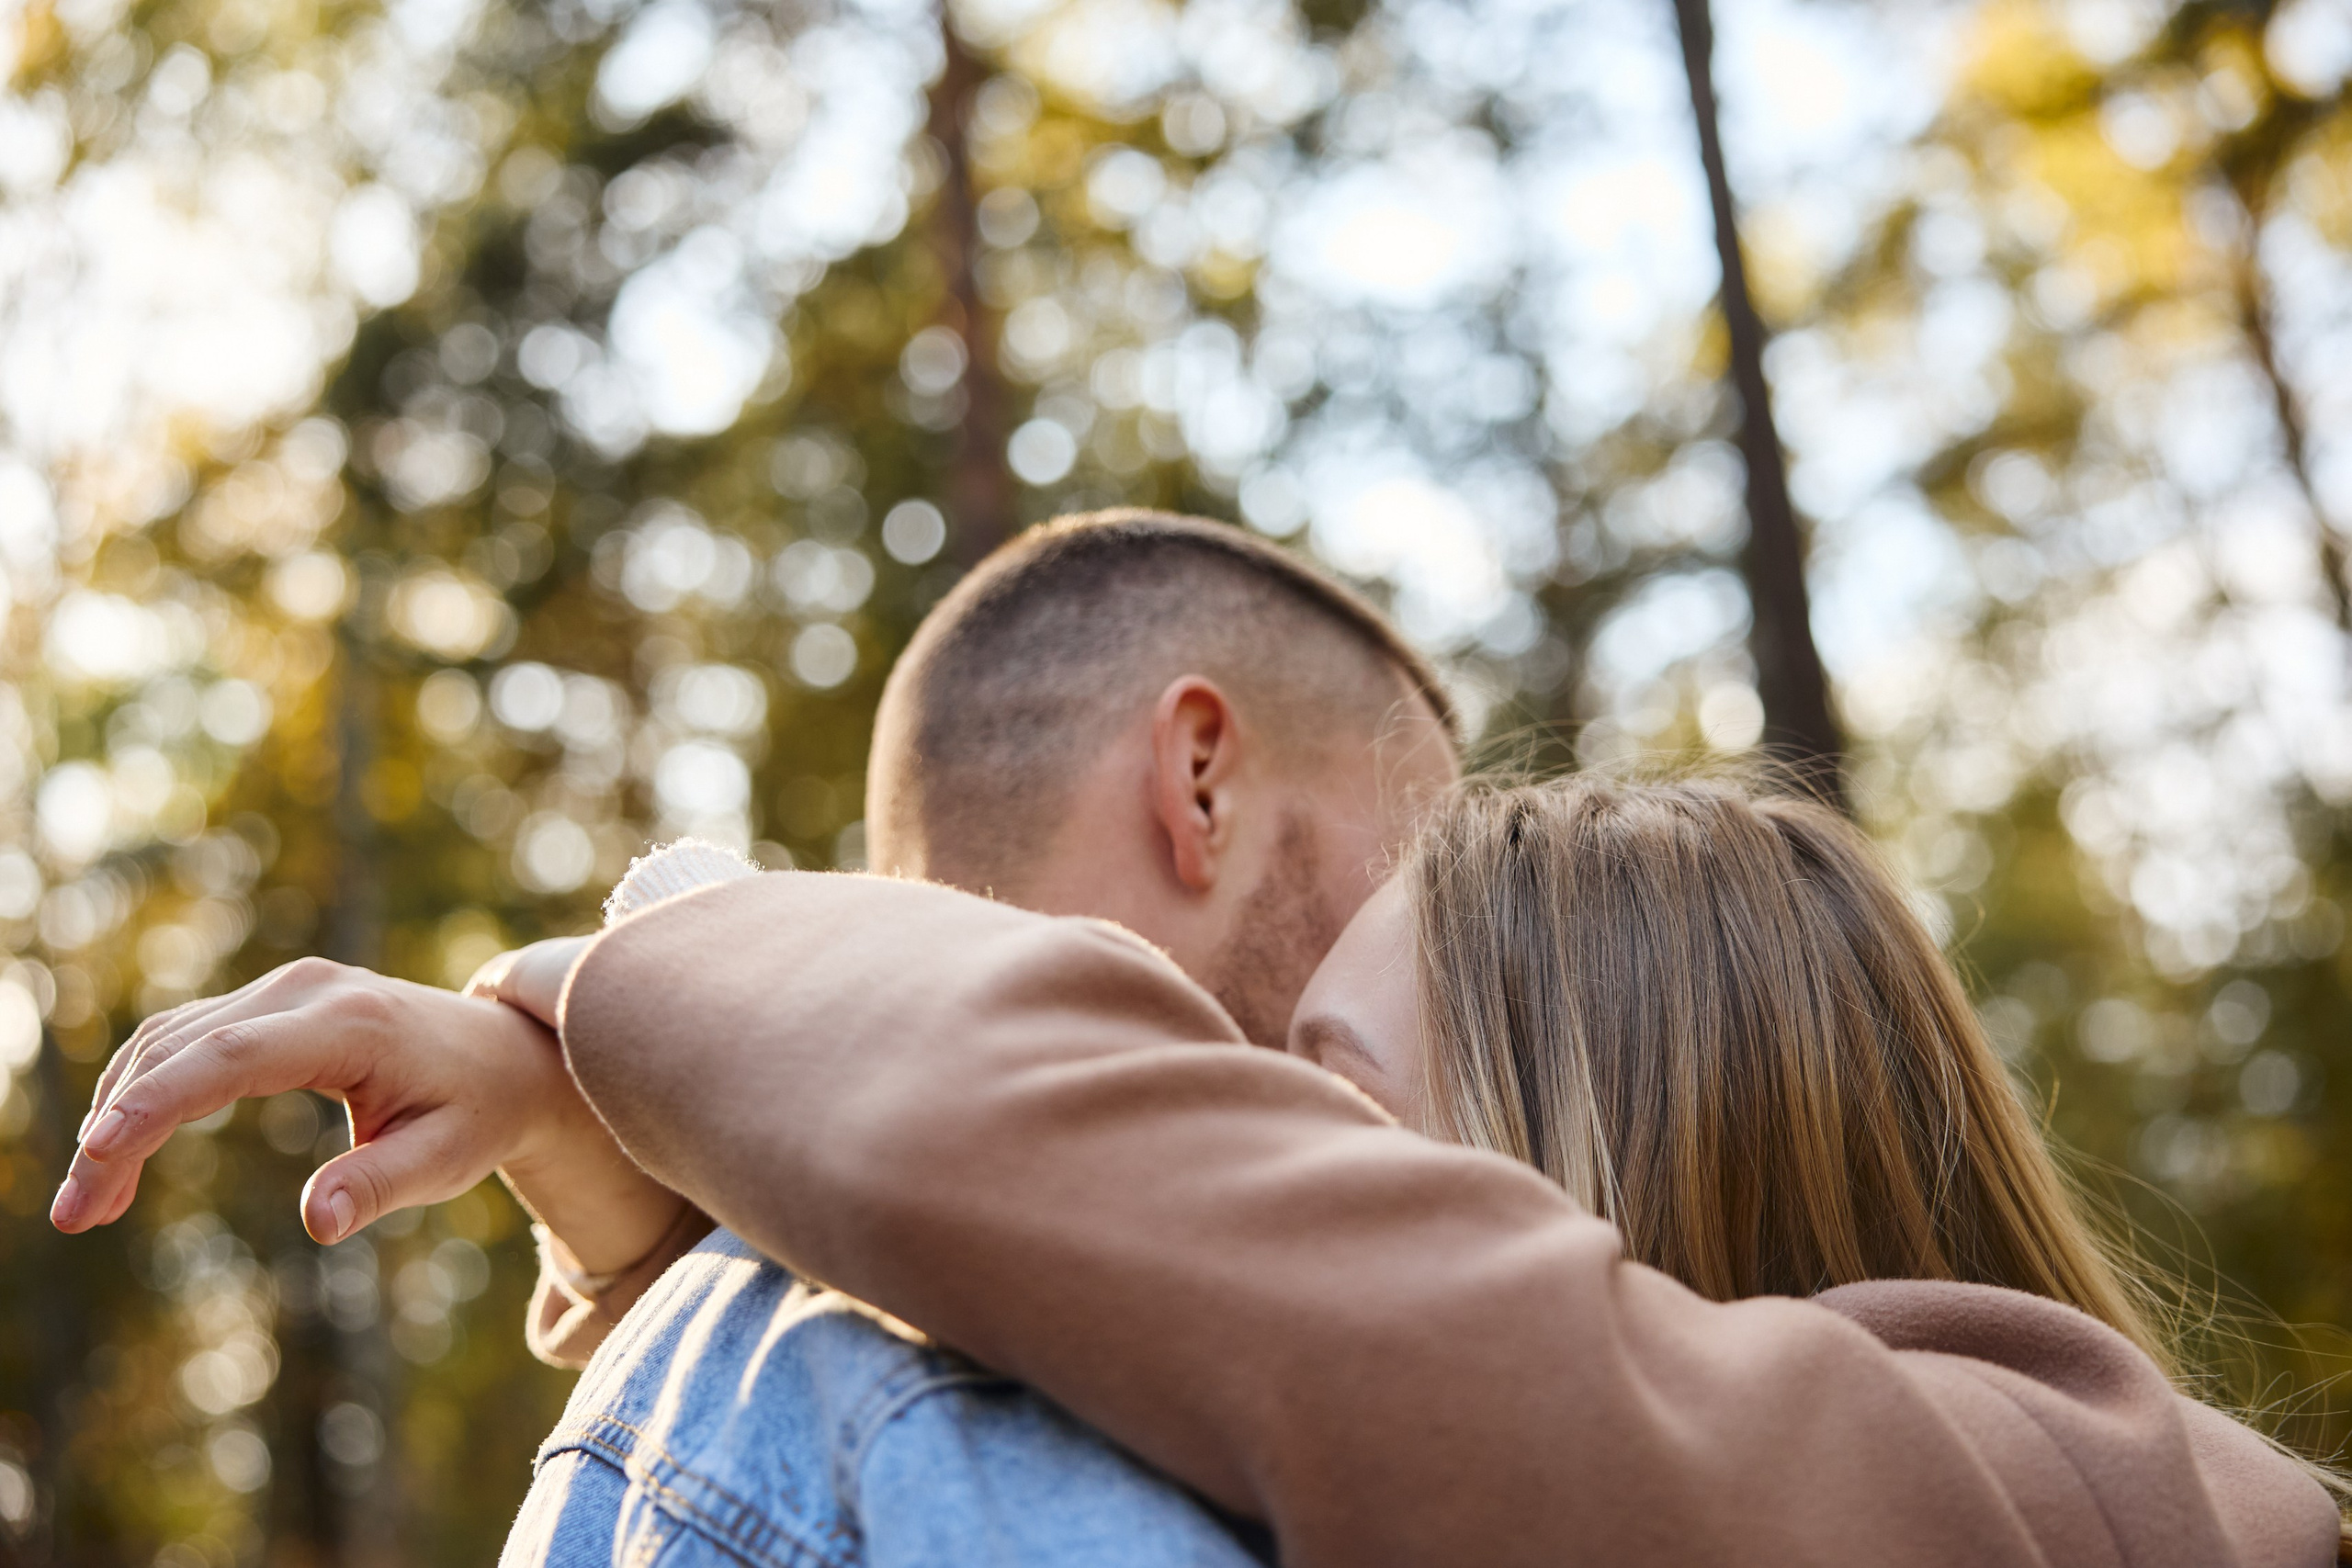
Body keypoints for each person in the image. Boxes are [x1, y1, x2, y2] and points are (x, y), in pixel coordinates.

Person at [49, 517, 2343, 1564]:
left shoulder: (2006, 1484)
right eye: (1413, 846)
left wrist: (625, 979)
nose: (1293, 1150)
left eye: (1333, 1107)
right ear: (1205, 777)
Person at [56, 512, 1459, 1564]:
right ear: (1200, 779)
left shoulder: (746, 1351)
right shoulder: (937, 1405)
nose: (1435, 965)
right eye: (1408, 870)